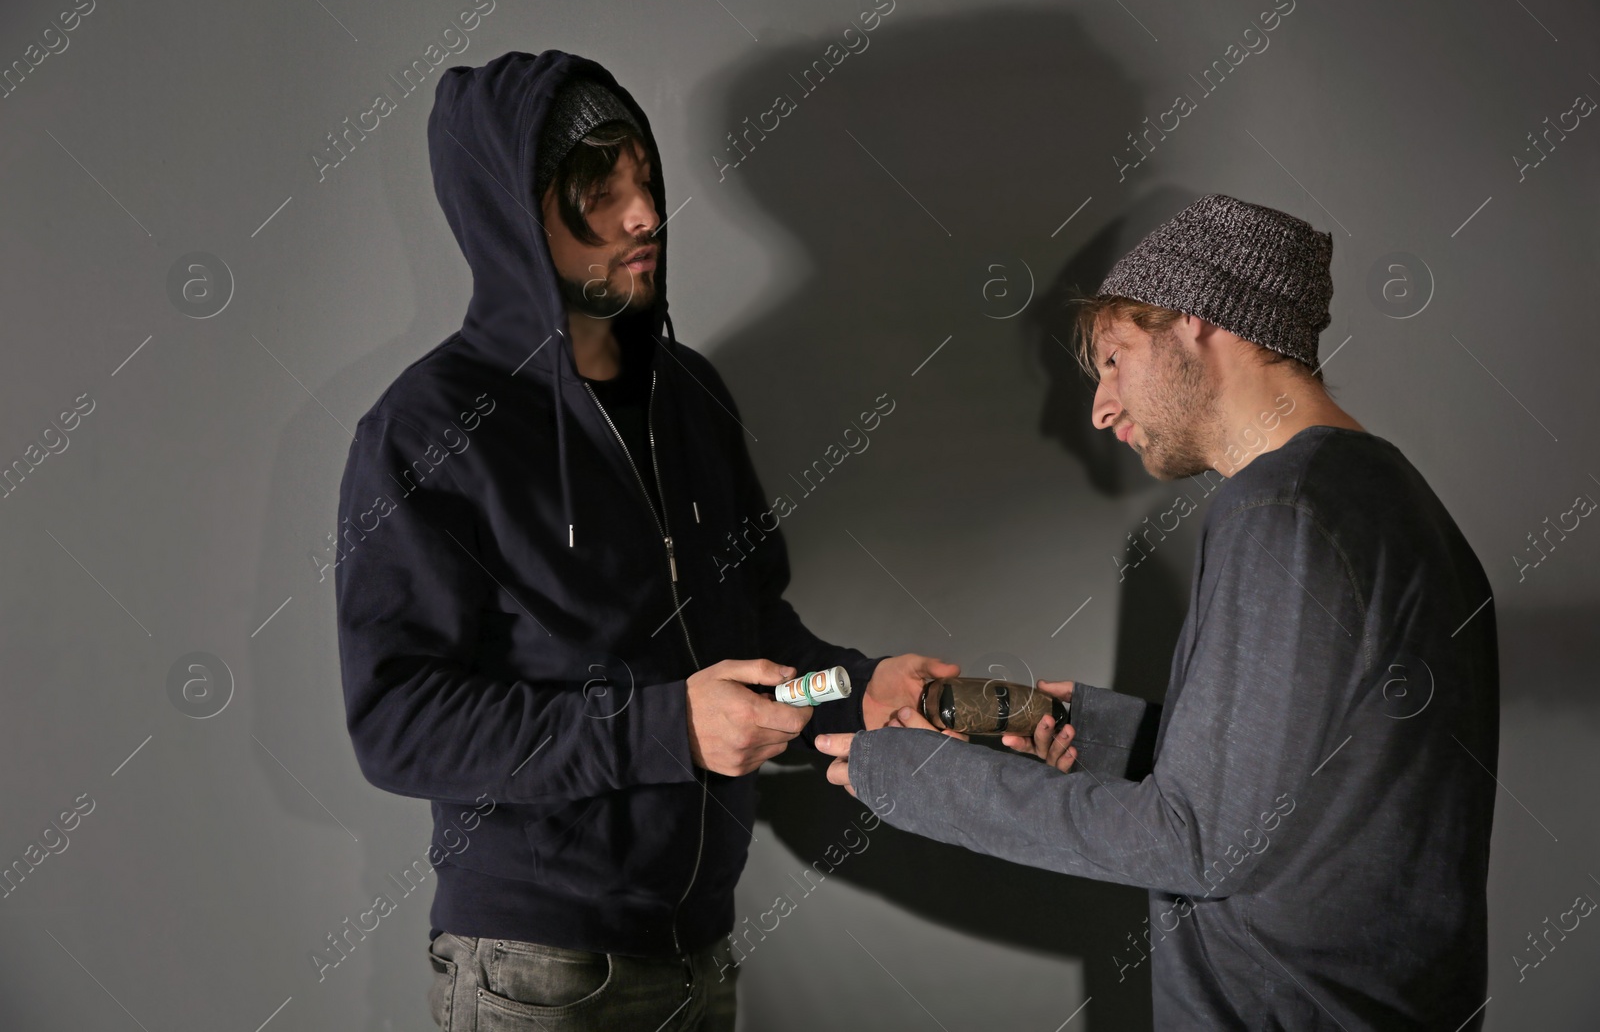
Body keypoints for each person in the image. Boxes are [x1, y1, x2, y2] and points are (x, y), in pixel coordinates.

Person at [333, 50, 956, 1032]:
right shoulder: (429, 427)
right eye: (597, 188)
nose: (641, 216)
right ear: (511, 209)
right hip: (537, 972)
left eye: (645, 180)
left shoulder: (691, 395)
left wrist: (859, 686)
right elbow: (400, 721)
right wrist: (663, 727)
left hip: (700, 954)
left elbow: (753, 637)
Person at [817, 194, 1500, 1030]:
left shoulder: (1278, 508)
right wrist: (1081, 729)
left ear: (1199, 322)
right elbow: (1305, 776)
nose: (1101, 407)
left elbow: (1196, 842)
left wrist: (911, 778)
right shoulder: (1395, 501)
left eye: (1115, 358)